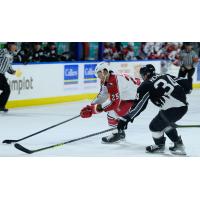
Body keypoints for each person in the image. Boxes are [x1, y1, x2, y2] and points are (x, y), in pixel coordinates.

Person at [117, 64, 190, 155]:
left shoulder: (146, 84)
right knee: (163, 124)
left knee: (154, 126)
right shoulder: (164, 75)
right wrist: (186, 90)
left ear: (146, 74)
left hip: (172, 109)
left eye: (143, 75)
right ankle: (178, 144)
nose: (142, 77)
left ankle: (160, 146)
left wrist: (126, 118)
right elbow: (184, 81)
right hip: (182, 106)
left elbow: (140, 105)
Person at [80, 62, 141, 143]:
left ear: (105, 71)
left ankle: (117, 134)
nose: (98, 77)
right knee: (113, 112)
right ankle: (120, 132)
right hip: (127, 97)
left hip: (134, 100)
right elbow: (103, 95)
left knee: (112, 112)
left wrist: (94, 110)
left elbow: (114, 103)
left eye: (99, 74)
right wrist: (91, 106)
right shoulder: (106, 79)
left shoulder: (114, 80)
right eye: (97, 75)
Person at [0, 42, 22, 112]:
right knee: (6, 90)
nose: (15, 47)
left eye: (16, 46)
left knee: (7, 90)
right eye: (14, 45)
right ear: (9, 45)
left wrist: (14, 72)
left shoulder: (11, 55)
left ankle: (1, 105)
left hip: (1, 75)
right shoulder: (3, 51)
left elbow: (8, 67)